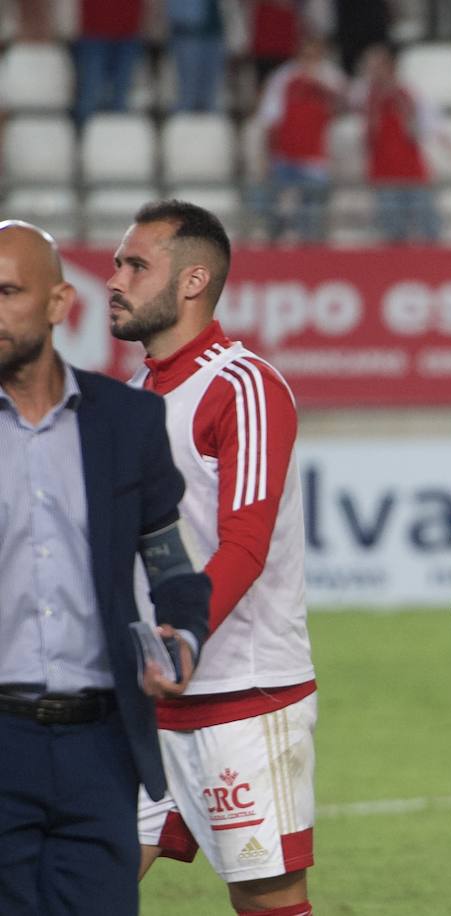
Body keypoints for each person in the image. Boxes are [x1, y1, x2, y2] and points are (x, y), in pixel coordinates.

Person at [107, 200, 318, 916]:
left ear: (193, 281)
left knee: (267, 901)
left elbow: (245, 543)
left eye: (136, 265)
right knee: (74, 879)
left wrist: (187, 633)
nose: (116, 278)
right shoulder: (135, 397)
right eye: (116, 263)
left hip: (243, 693)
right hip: (143, 696)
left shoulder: (244, 387)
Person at [0, 220, 208, 914]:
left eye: (6, 292)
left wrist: (181, 633)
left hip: (100, 744)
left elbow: (170, 561)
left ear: (59, 302)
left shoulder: (128, 421)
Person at [353, 44, 451, 244]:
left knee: (430, 233)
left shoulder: (409, 95)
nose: (371, 72)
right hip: (383, 176)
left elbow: (436, 128)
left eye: (375, 67)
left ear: (390, 67)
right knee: (392, 236)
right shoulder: (363, 96)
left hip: (412, 174)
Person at [253, 35, 345, 243]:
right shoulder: (283, 78)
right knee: (272, 206)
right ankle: (273, 243)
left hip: (316, 159)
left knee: (313, 214)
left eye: (314, 56)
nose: (309, 60)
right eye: (305, 55)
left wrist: (317, 85)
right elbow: (270, 118)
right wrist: (268, 156)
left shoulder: (331, 78)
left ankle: (312, 249)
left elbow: (343, 108)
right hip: (286, 156)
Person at [74, 0, 144, 124]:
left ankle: (115, 140)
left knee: (121, 100)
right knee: (91, 96)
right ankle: (84, 138)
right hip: (94, 33)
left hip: (128, 34)